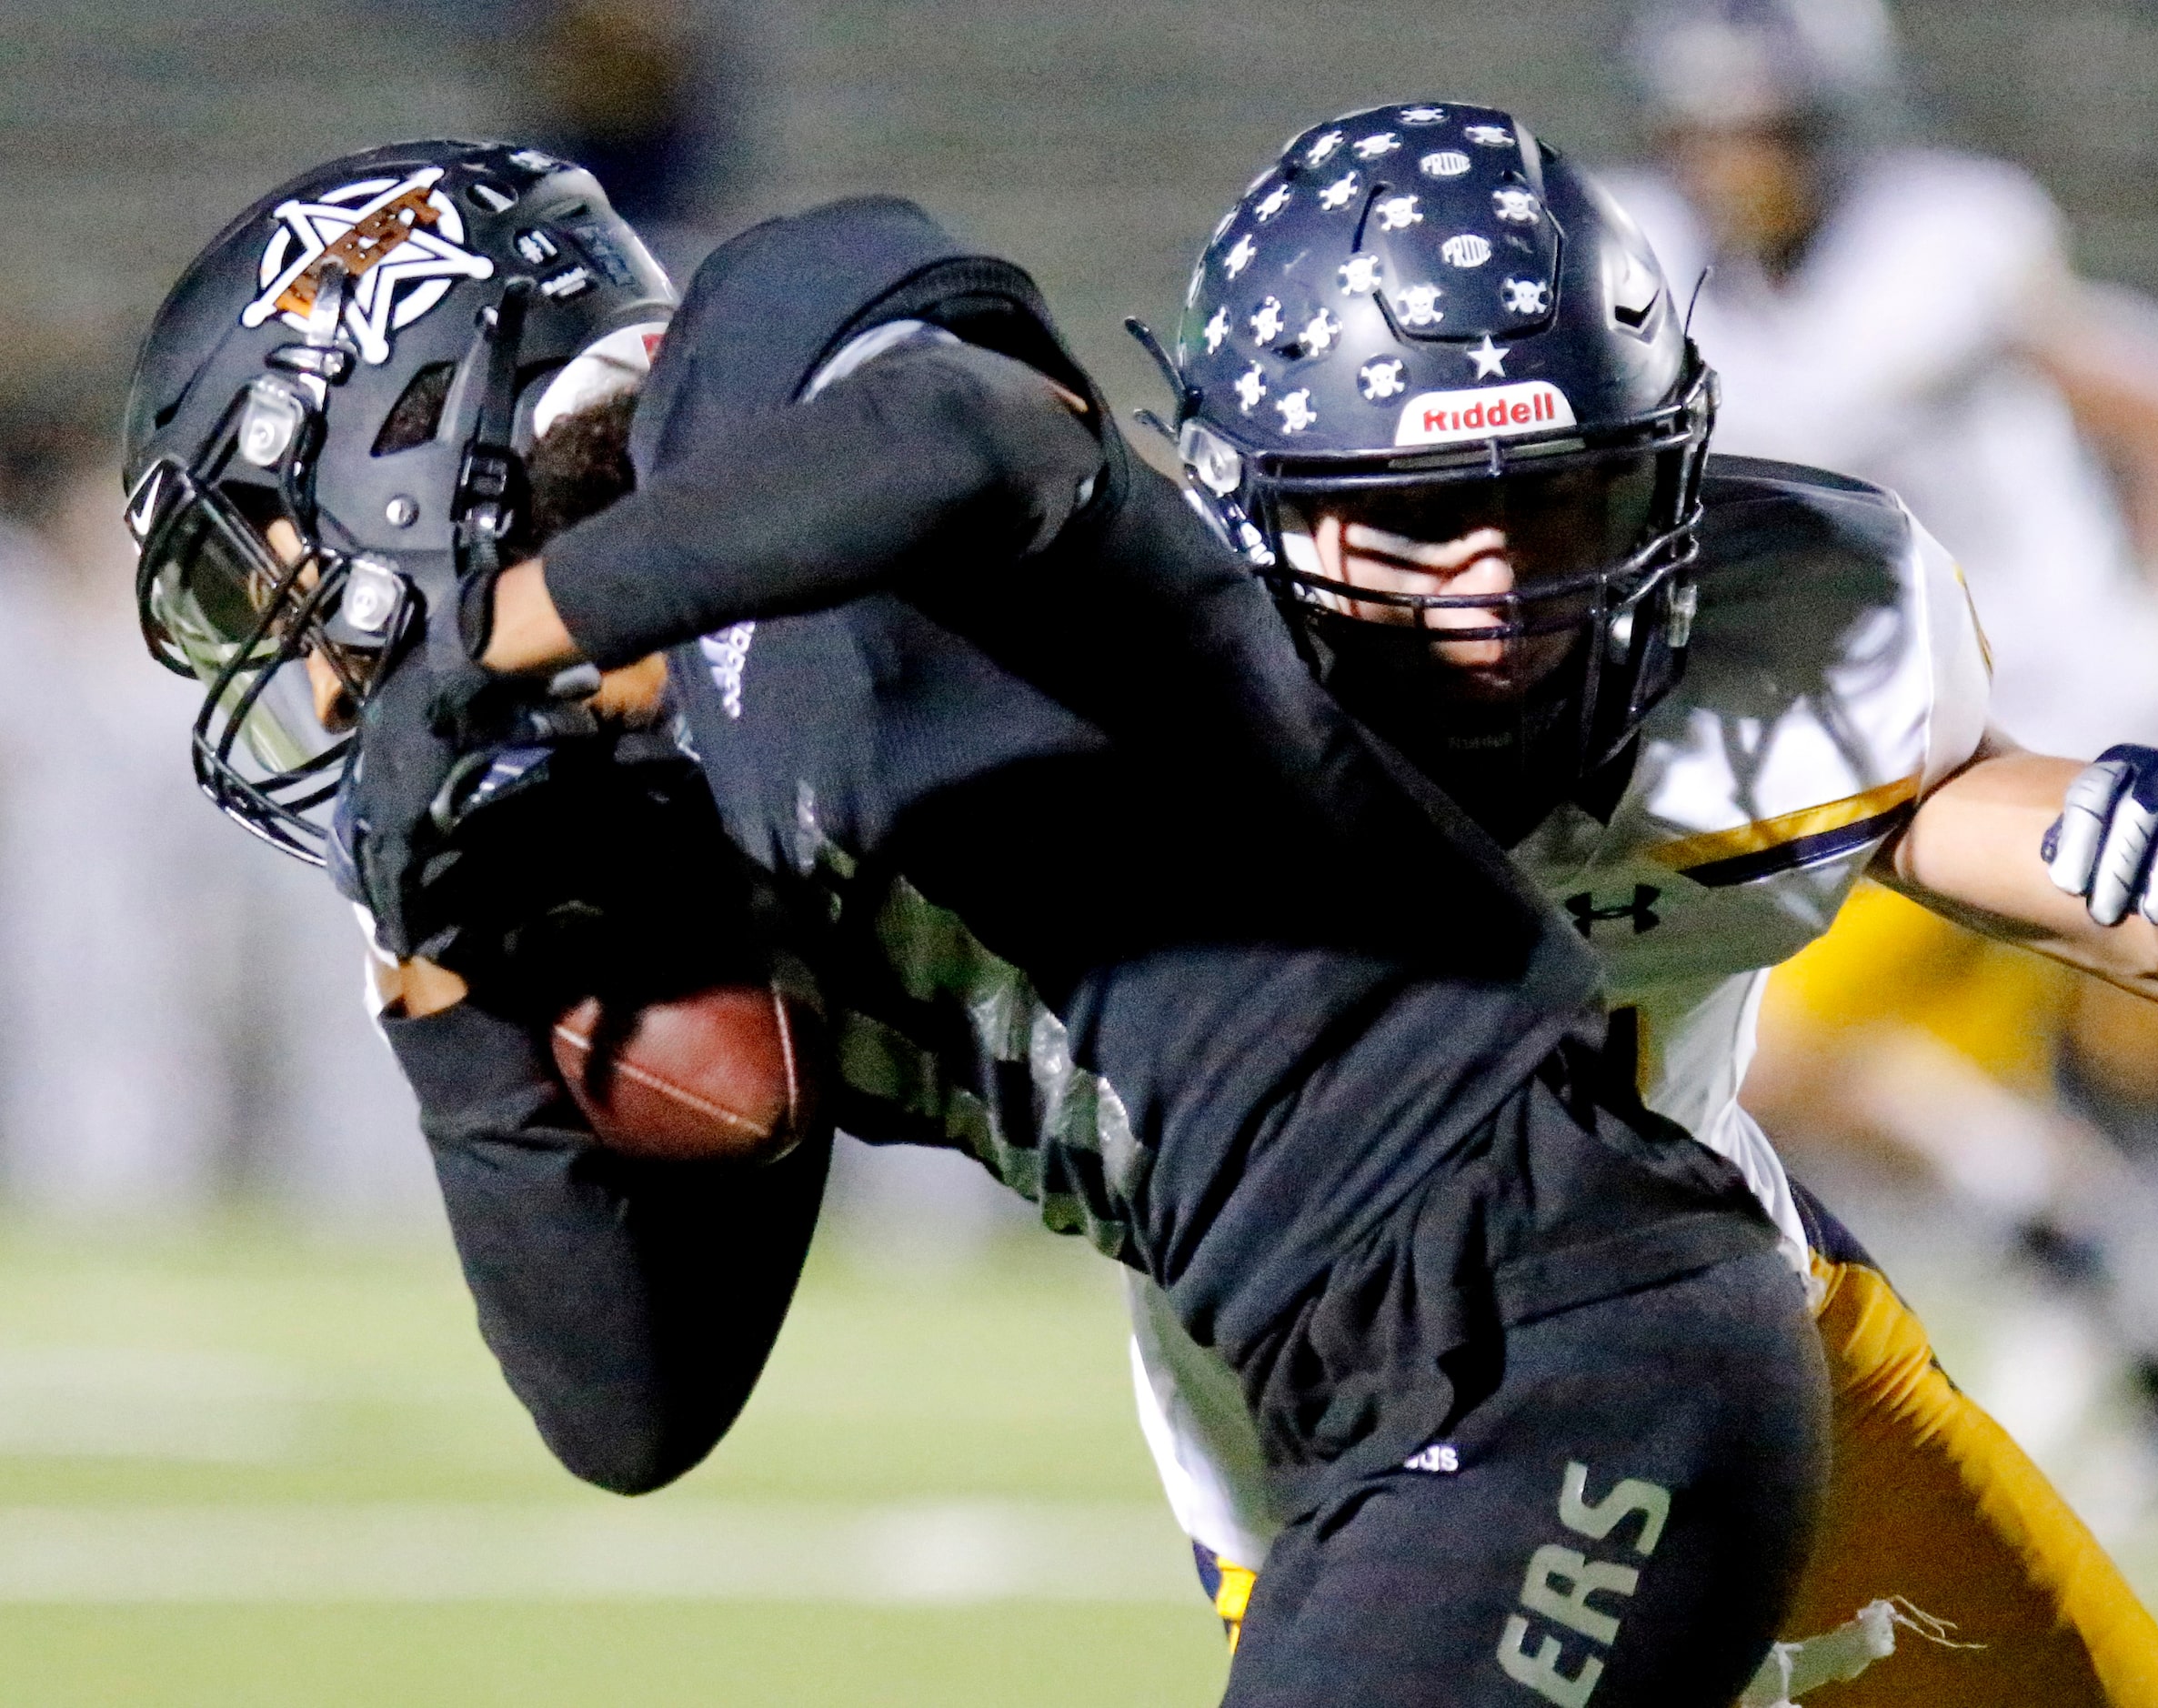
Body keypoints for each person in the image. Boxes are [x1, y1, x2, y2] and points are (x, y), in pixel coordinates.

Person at [127, 145, 1830, 1708]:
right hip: (1379, 1425)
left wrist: (505, 631)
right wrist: (440, 974)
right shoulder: (636, 824)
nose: (314, 667)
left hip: (1561, 1326)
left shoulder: (746, 372)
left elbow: (975, 437)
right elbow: (633, 1406)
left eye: (269, 573)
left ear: (395, 444)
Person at [1132, 99, 2158, 1708]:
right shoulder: (1106, 728)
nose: (1496, 596)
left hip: (1728, 1335)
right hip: (1364, 1437)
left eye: (1556, 501)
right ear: (1253, 510)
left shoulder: (1784, 639)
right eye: (1422, 518)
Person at [1605, 0, 2158, 1485]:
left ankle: (2106, 1286)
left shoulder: (1952, 242)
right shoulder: (1644, 260)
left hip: (2038, 730)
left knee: (1774, 1053)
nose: (1736, 165)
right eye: (1707, 132)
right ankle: (2123, 1300)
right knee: (1799, 1065)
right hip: (1869, 733)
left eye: (1767, 132)